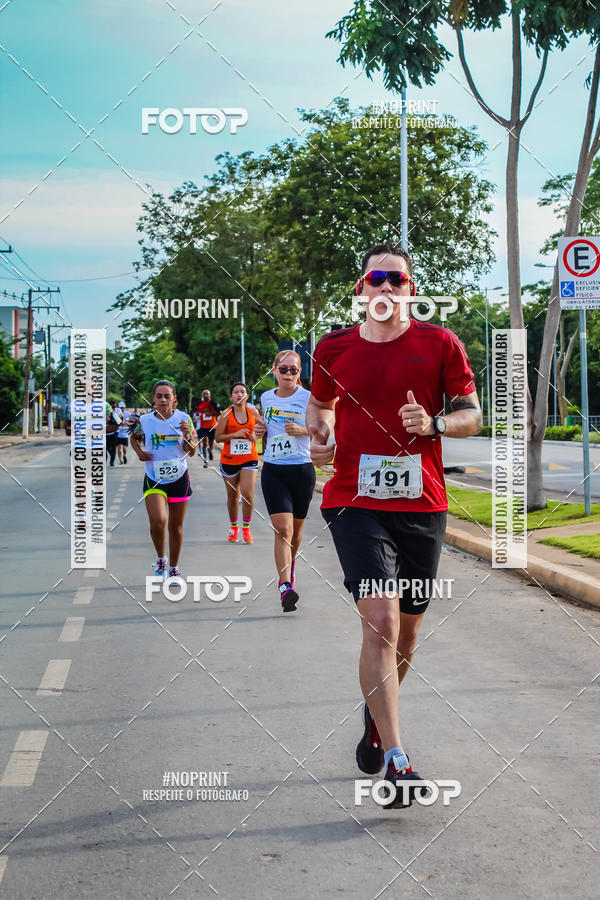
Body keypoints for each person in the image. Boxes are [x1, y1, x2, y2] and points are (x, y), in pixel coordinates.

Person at [307, 242, 481, 809]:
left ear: (411, 290)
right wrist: (320, 436)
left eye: (397, 280)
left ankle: (375, 717)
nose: (386, 287)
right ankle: (398, 760)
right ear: (361, 290)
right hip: (353, 499)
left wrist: (432, 423)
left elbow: (472, 416)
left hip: (423, 504)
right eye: (375, 279)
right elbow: (321, 406)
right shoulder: (332, 347)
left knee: (406, 634)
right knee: (379, 620)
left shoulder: (439, 343)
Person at [254, 351, 315, 612]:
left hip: (301, 470)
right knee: (283, 530)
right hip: (274, 470)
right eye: (284, 369)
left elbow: (326, 427)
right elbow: (266, 428)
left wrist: (304, 430)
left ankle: (289, 572)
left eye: (294, 370)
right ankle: (285, 586)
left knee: (296, 533)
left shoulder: (309, 398)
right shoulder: (266, 397)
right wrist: (261, 430)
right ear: (274, 370)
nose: (288, 374)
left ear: (299, 373)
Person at [130, 380, 197, 580]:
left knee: (176, 527)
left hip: (178, 478)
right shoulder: (146, 420)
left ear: (174, 399)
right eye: (159, 396)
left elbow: (191, 451)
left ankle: (174, 569)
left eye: (167, 396)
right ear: (153, 398)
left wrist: (186, 435)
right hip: (154, 477)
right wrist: (140, 453)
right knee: (158, 520)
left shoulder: (184, 419)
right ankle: (161, 560)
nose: (163, 400)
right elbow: (134, 437)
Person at [214, 383, 260, 543]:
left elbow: (262, 427)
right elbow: (218, 438)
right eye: (236, 392)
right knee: (233, 496)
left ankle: (246, 529)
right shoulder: (226, 415)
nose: (239, 394)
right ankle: (234, 528)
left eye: (242, 392)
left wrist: (256, 435)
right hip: (229, 460)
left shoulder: (253, 411)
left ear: (247, 395)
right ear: (231, 396)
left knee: (247, 494)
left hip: (249, 458)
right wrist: (235, 434)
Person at [196, 390, 220, 467]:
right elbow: (198, 413)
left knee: (211, 442)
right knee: (205, 442)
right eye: (204, 394)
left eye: (207, 394)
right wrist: (198, 415)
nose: (206, 395)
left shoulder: (213, 404)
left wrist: (210, 414)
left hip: (212, 426)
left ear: (210, 395)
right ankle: (205, 461)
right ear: (202, 395)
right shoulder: (200, 405)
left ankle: (210, 450)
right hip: (203, 426)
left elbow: (219, 412)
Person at [106, 401, 122, 466]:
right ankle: (110, 455)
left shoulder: (116, 412)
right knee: (107, 447)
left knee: (113, 447)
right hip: (106, 433)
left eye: (114, 407)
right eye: (112, 407)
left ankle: (112, 461)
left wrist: (119, 424)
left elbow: (120, 421)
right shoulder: (105, 412)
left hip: (115, 432)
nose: (113, 408)